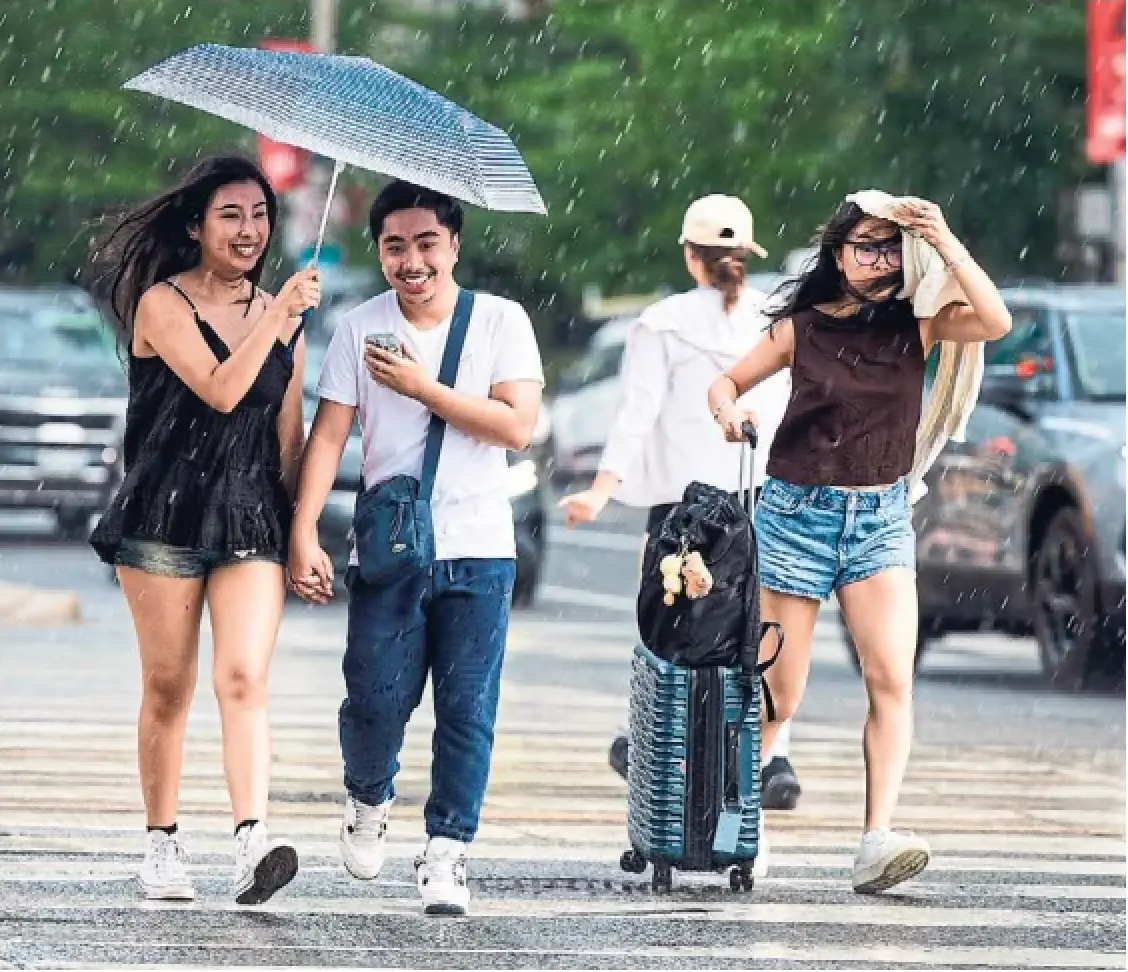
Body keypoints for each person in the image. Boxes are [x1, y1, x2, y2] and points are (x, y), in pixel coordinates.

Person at [707, 195, 1012, 893]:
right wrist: (729, 411)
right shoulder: (801, 328)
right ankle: (737, 817)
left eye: (890, 248)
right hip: (795, 515)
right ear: (838, 253)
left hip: (879, 518)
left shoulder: (919, 323)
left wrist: (945, 238)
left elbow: (995, 320)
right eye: (865, 247)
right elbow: (725, 382)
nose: (879, 261)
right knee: (780, 696)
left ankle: (876, 839)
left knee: (892, 679)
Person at [288, 180, 544, 917]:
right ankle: (368, 796)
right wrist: (303, 530)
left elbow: (516, 426)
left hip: (479, 547)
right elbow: (328, 435)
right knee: (375, 699)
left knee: (467, 709)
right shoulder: (358, 326)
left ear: (454, 245)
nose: (413, 260)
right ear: (378, 251)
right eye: (395, 245)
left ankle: (447, 850)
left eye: (427, 243)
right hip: (390, 547)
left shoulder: (500, 321)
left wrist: (422, 387)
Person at [88, 155, 321, 904]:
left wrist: (301, 532)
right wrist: (277, 319)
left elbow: (288, 436)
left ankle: (252, 841)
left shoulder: (286, 319)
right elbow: (223, 390)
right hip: (164, 511)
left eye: (259, 215)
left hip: (251, 513)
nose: (249, 230)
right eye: (231, 215)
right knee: (169, 686)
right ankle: (161, 844)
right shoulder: (162, 305)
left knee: (244, 677)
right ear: (195, 227)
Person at [558, 194, 802, 814]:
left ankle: (650, 738)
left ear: (692, 256)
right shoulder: (778, 320)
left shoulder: (661, 323)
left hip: (682, 509)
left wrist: (602, 489)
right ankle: (770, 754)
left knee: (668, 622)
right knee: (759, 623)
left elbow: (635, 415)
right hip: (759, 496)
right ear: (746, 255)